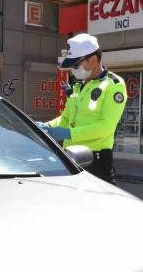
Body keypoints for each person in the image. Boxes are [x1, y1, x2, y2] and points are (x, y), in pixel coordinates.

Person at [38, 33, 127, 183]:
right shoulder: (78, 85)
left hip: (96, 161)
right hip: (69, 158)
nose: (73, 70)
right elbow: (66, 117)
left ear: (92, 59)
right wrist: (47, 127)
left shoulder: (113, 85)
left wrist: (68, 133)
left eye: (76, 65)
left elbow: (106, 127)